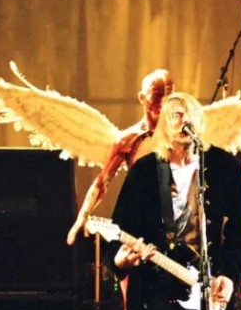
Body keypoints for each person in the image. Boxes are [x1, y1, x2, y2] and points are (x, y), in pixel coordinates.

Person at [105, 92, 241, 310]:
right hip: (152, 295)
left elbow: (239, 233)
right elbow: (119, 230)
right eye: (176, 114)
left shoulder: (224, 167)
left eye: (190, 114)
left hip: (203, 296)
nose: (184, 120)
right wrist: (120, 260)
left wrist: (229, 276)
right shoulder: (144, 171)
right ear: (162, 126)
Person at [66, 69, 175, 245]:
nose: (162, 103)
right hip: (140, 219)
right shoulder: (129, 139)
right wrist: (82, 217)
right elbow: (102, 181)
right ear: (142, 97)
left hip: (174, 220)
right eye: (156, 96)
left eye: (168, 97)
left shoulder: (180, 135)